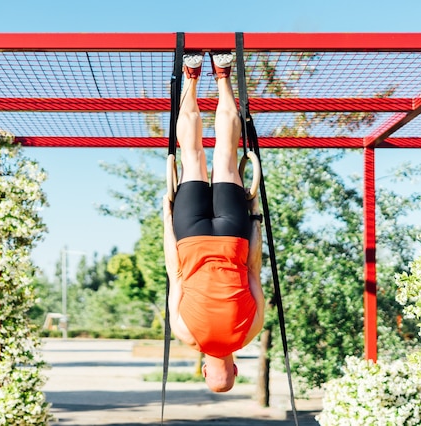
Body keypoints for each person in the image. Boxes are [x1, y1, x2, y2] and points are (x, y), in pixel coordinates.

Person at [163, 51, 265, 393]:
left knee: (226, 156)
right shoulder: (184, 333)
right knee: (192, 158)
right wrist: (167, 219)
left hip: (233, 236)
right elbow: (174, 273)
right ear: (205, 372)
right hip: (190, 237)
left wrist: (255, 221)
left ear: (234, 369)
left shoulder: (250, 331)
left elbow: (253, 270)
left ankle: (222, 74)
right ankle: (191, 77)